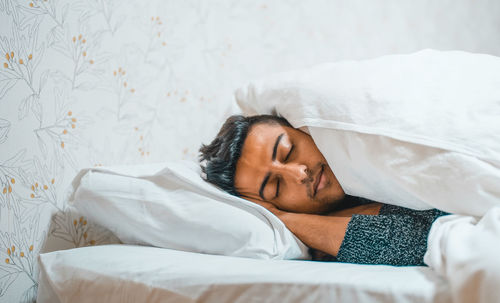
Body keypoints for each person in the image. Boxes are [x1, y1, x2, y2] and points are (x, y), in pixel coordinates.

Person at [199, 114, 447, 266]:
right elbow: (424, 241)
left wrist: (285, 216)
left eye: (288, 151)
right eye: (275, 187)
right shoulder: (320, 241)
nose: (299, 174)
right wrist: (286, 220)